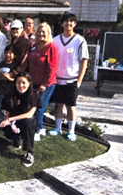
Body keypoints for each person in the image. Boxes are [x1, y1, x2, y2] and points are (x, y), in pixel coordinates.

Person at [49, 12, 89, 141]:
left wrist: (79, 81)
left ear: (75, 24)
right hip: (58, 79)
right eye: (66, 21)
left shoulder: (80, 40)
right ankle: (57, 128)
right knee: (58, 105)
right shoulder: (55, 40)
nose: (68, 23)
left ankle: (71, 130)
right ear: (62, 23)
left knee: (71, 106)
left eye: (71, 21)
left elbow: (84, 61)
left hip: (72, 80)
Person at [0, 72, 38, 167]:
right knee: (3, 125)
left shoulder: (34, 94)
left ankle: (30, 152)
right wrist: (11, 123)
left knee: (27, 122)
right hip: (14, 122)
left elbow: (30, 114)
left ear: (29, 83)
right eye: (18, 83)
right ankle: (15, 139)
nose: (21, 85)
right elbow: (7, 113)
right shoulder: (10, 94)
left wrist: (11, 120)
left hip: (28, 122)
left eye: (24, 83)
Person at [27, 22, 58, 141]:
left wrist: (44, 84)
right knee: (33, 106)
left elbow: (52, 68)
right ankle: (41, 126)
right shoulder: (34, 46)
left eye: (44, 31)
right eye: (39, 31)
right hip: (33, 83)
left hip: (46, 84)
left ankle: (37, 131)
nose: (41, 33)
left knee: (39, 107)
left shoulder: (51, 47)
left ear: (48, 33)